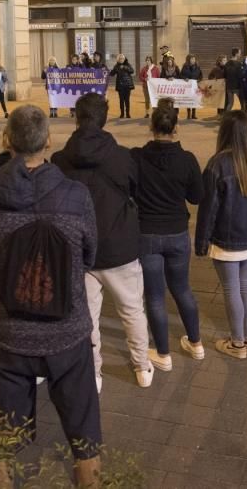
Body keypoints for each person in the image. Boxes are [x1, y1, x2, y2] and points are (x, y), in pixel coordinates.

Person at [0, 106, 101, 486]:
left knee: (0, 435)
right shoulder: (76, 195)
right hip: (67, 331)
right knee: (85, 434)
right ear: (48, 142)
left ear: (6, 140)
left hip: (7, 333)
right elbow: (90, 255)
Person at [51, 93, 153, 390]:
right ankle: (142, 367)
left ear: (76, 117)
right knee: (132, 310)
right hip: (120, 246)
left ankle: (94, 374)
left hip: (80, 249)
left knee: (88, 317)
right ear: (105, 118)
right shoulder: (122, 157)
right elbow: (136, 190)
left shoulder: (60, 160)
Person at [131, 102, 205, 371]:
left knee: (154, 296)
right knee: (182, 288)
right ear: (176, 128)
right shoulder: (187, 160)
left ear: (151, 127)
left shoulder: (136, 157)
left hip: (147, 232)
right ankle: (196, 343)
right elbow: (196, 197)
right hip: (177, 232)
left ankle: (163, 353)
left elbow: (130, 190)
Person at [195, 110, 247, 358]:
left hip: (226, 240)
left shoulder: (218, 164)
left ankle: (237, 344)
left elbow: (209, 209)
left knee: (231, 289)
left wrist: (201, 242)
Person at [110, 53, 136, 119]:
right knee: (121, 100)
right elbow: (112, 74)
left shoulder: (127, 64)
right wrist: (112, 70)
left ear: (124, 59)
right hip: (120, 86)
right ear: (118, 59)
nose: (121, 60)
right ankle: (122, 114)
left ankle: (128, 113)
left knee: (127, 100)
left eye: (122, 58)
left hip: (127, 85)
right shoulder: (116, 66)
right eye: (120, 58)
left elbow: (132, 71)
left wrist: (125, 67)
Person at [180, 54, 203, 119]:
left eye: (194, 59)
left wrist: (199, 80)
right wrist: (185, 78)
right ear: (188, 60)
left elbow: (201, 75)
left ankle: (193, 114)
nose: (193, 60)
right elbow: (181, 75)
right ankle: (188, 114)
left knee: (194, 99)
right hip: (188, 86)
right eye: (192, 59)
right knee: (188, 99)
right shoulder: (185, 66)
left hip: (195, 86)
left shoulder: (197, 67)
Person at [224, 48, 245, 112]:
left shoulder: (227, 64)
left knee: (230, 103)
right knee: (243, 102)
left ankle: (226, 118)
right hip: (237, 86)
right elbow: (240, 76)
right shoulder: (238, 64)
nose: (240, 54)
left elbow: (225, 75)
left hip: (229, 86)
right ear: (236, 54)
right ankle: (243, 117)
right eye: (239, 53)